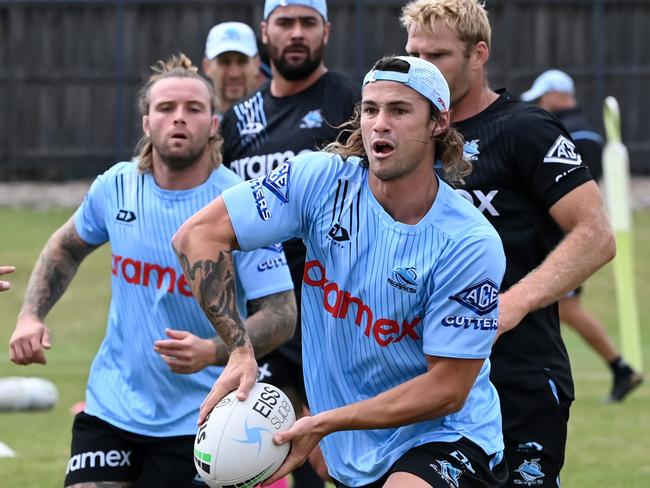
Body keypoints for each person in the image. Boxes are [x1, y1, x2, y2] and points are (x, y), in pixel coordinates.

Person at [174, 55, 509, 488]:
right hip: (353, 452)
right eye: (370, 110)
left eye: (399, 110)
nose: (379, 124)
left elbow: (447, 390)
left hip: (448, 439)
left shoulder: (468, 243)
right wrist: (239, 348)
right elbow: (197, 236)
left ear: (438, 123)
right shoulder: (319, 181)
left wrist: (327, 421)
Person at [8, 53, 296, 488]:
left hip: (204, 417)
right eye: (166, 108)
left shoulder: (242, 204)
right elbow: (64, 248)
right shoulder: (116, 186)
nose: (179, 118)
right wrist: (31, 315)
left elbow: (281, 315)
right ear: (146, 123)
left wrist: (212, 350)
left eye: (193, 109)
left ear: (214, 124)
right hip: (112, 407)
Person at [402, 1, 616, 486]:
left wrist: (511, 305)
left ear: (479, 54)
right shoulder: (410, 136)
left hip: (517, 376)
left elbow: (596, 235)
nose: (421, 69)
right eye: (414, 54)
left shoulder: (525, 129)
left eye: (438, 56)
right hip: (427, 380)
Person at [219, 0, 360, 484]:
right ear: (265, 31)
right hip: (270, 323)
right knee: (265, 457)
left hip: (344, 318)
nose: (296, 33)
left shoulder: (353, 103)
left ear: (326, 31)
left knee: (341, 463)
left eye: (307, 23)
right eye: (285, 23)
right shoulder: (239, 120)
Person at [521, 69, 643, 402]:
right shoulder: (573, 132)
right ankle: (619, 369)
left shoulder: (576, 137)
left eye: (545, 97)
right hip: (561, 235)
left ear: (559, 94)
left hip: (566, 237)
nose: (542, 104)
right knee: (561, 308)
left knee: (566, 308)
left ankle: (621, 368)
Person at [202, 21, 265, 119]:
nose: (234, 74)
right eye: (224, 62)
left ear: (257, 64)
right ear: (207, 66)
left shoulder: (276, 122)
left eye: (242, 62)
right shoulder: (196, 125)